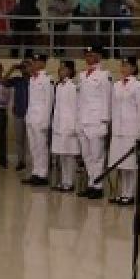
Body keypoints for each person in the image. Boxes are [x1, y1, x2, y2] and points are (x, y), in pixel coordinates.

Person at [107, 56, 140, 206]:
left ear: (134, 68)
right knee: (120, 164)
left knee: (130, 164)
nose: (124, 69)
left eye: (127, 66)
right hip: (118, 129)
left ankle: (130, 194)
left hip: (132, 129)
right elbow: (113, 107)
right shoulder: (116, 85)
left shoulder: (139, 85)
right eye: (122, 66)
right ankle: (123, 192)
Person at [76, 44, 111, 199]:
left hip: (97, 120)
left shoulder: (105, 75)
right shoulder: (82, 75)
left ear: (98, 56)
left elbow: (107, 99)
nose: (88, 57)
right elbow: (79, 100)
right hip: (83, 120)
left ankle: (98, 186)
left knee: (97, 156)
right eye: (87, 55)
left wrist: (105, 122)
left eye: (91, 55)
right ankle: (91, 183)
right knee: (87, 156)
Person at [22, 53, 54, 186]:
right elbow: (31, 100)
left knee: (41, 147)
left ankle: (42, 175)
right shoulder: (32, 79)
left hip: (41, 118)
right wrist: (27, 116)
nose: (33, 64)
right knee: (33, 147)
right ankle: (35, 172)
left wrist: (46, 121)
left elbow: (49, 101)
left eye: (36, 62)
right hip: (31, 117)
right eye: (33, 62)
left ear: (42, 63)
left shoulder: (47, 79)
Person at [51, 60, 80, 192]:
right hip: (59, 125)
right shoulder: (59, 86)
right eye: (59, 68)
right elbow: (57, 108)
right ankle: (63, 181)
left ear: (69, 71)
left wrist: (74, 126)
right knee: (62, 155)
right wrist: (55, 124)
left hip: (70, 126)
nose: (59, 71)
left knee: (70, 155)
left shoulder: (74, 86)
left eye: (62, 69)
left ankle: (70, 182)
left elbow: (76, 107)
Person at [5, 58, 31, 171]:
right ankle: (21, 161)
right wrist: (12, 68)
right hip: (19, 114)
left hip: (32, 115)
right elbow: (2, 82)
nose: (24, 69)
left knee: (33, 140)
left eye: (26, 66)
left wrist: (30, 69)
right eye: (22, 67)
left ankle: (37, 163)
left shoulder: (35, 79)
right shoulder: (17, 80)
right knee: (19, 140)